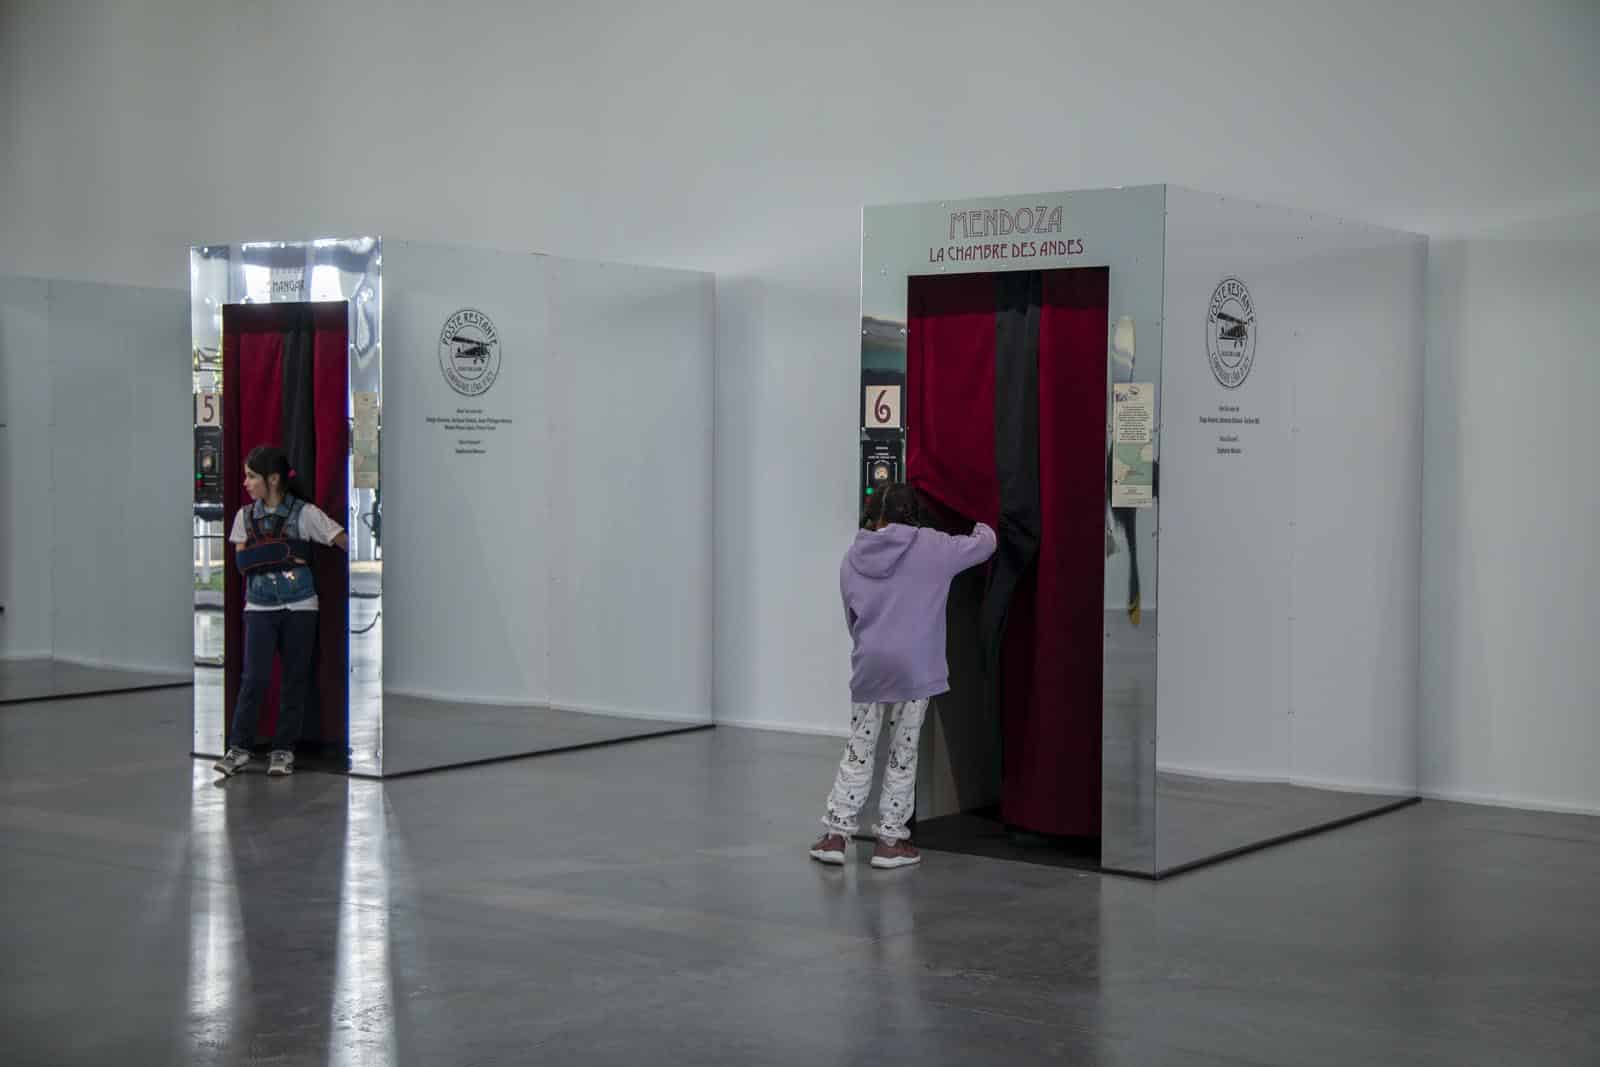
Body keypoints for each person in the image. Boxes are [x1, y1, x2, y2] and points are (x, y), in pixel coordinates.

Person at [810, 484, 997, 869]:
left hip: (871, 667)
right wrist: (980, 510)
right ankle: (890, 842)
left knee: (859, 750)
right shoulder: (933, 546)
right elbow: (985, 544)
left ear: (873, 514)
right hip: (916, 669)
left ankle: (835, 836)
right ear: (914, 513)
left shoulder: (853, 556)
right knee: (902, 754)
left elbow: (852, 618)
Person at [213, 445, 348, 779]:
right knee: (254, 679)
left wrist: (292, 551)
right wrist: (287, 552)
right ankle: (239, 748)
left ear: (272, 479)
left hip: (300, 605)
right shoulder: (244, 517)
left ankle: (283, 749)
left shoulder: (304, 514)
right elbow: (243, 562)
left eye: (251, 477)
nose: (246, 483)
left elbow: (341, 539)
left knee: (293, 680)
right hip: (259, 606)